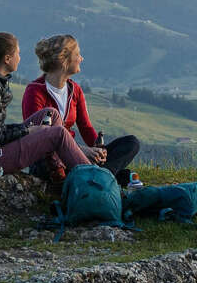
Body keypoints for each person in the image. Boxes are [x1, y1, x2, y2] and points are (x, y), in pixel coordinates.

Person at [21, 33, 140, 186]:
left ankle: (98, 175)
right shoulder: (35, 91)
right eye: (77, 54)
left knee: (131, 143)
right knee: (50, 158)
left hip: (76, 155)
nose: (81, 58)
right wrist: (81, 151)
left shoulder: (74, 90)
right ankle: (105, 178)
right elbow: (38, 136)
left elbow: (86, 127)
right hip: (50, 156)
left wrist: (99, 151)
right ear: (64, 60)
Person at [0, 31, 96, 177]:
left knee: (51, 113)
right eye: (17, 53)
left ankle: (59, 173)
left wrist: (27, 128)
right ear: (7, 59)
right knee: (59, 132)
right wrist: (27, 130)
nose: (20, 58)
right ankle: (93, 179)